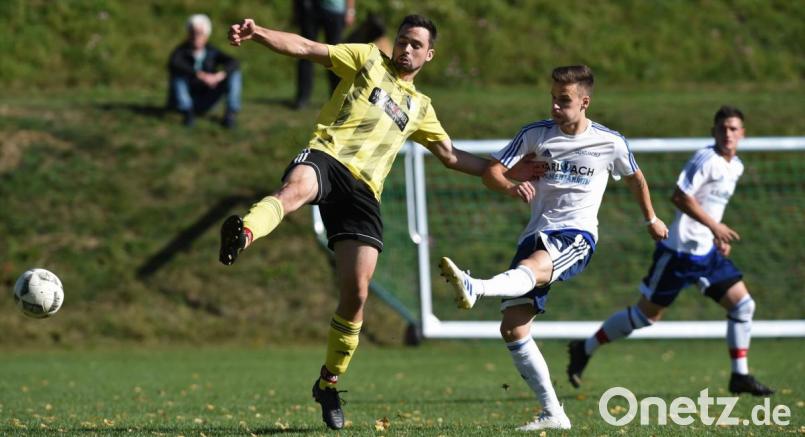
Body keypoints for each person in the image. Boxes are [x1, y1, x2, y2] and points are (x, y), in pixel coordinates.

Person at [220, 15, 541, 430]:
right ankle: (243, 234)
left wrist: (508, 173)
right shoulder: (367, 59)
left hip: (364, 193)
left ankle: (328, 383)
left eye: (415, 45)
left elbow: (451, 156)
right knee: (293, 190)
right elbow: (307, 47)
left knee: (356, 294)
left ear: (429, 55)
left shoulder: (421, 107)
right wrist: (259, 33)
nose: (406, 49)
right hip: (327, 157)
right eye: (403, 40)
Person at [439, 65, 669, 431]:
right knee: (513, 328)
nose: (555, 108)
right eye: (553, 99)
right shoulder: (534, 134)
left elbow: (635, 179)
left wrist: (651, 219)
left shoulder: (610, 142)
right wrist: (511, 186)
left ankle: (475, 286)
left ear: (584, 102)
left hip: (576, 235)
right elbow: (492, 172)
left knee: (534, 266)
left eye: (564, 101)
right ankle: (553, 413)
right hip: (535, 233)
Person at [567, 106, 774, 397]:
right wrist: (715, 227)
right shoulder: (706, 159)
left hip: (707, 255)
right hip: (678, 255)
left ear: (743, 134)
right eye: (722, 128)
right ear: (713, 131)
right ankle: (585, 348)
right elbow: (679, 196)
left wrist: (716, 234)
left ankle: (740, 375)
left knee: (743, 306)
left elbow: (709, 204)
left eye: (733, 129)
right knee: (645, 317)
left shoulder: (735, 166)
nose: (728, 134)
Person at [167, 14, 241, 128]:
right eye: (193, 32)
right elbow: (174, 64)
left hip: (207, 97)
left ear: (206, 35)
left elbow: (234, 62)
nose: (196, 36)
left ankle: (230, 113)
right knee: (178, 75)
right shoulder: (181, 51)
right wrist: (200, 75)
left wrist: (219, 76)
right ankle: (187, 113)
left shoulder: (211, 51)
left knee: (234, 74)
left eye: (199, 33)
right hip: (185, 99)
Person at [292, 0, 356, 109]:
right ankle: (302, 98)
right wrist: (296, 8)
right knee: (305, 52)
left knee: (336, 56)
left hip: (334, 9)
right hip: (310, 8)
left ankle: (338, 98)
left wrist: (350, 11)